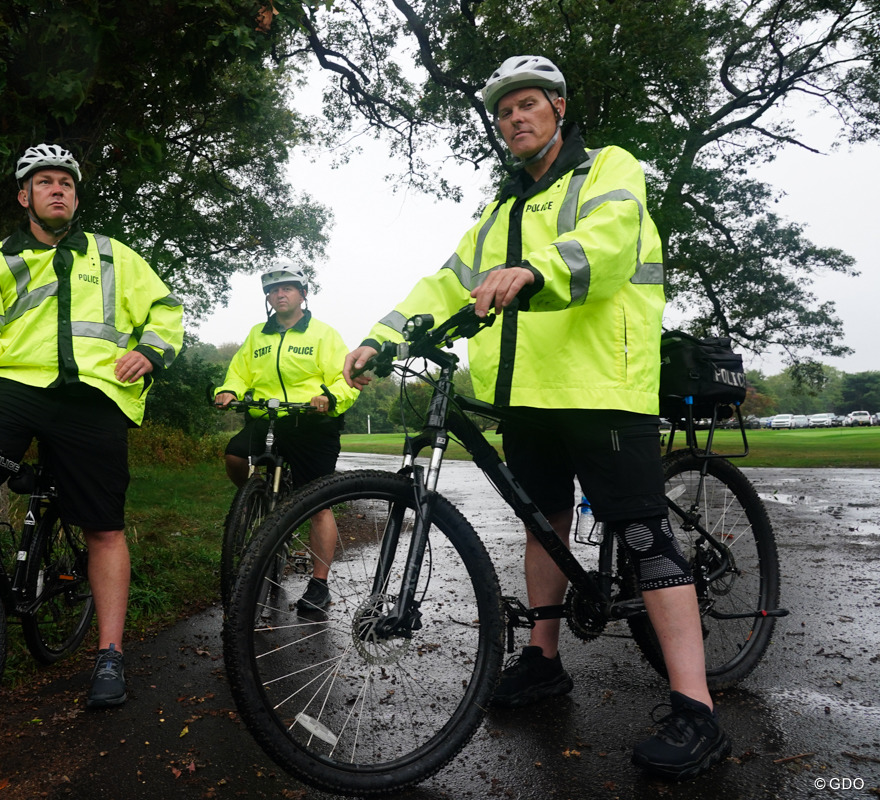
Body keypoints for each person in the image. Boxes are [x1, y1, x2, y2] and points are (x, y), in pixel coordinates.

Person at [343, 56, 729, 780]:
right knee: (543, 524)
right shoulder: (498, 212)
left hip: (603, 384)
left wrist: (537, 270)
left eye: (527, 104)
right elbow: (445, 282)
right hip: (528, 395)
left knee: (644, 532)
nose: (514, 118)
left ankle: (696, 708)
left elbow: (611, 241)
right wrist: (381, 335)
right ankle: (543, 660)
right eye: (503, 111)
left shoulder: (608, 170)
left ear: (557, 107)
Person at [0, 143, 185, 710]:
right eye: (45, 181)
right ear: (25, 196)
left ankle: (109, 653)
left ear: (76, 195)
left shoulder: (115, 256)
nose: (57, 188)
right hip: (15, 391)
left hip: (94, 396)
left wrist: (152, 352)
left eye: (66, 180)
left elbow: (165, 308)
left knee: (104, 527)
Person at [214, 265, 358, 613]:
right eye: (274, 290)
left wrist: (329, 398)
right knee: (234, 455)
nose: (281, 294)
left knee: (317, 502)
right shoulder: (257, 336)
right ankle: (260, 496)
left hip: (311, 423)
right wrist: (229, 391)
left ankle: (319, 584)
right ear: (269, 298)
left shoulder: (324, 335)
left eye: (289, 289)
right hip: (268, 419)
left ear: (302, 295)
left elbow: (346, 379)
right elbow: (238, 372)